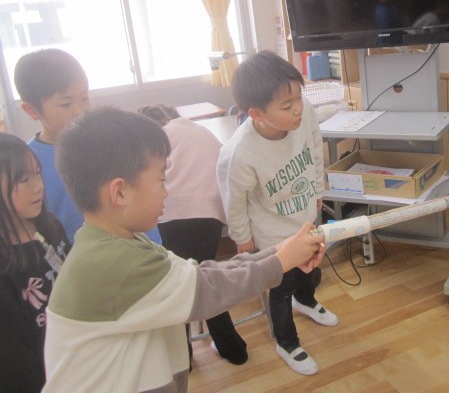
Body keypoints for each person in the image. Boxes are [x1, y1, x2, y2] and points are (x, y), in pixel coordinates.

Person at [43, 106, 325, 393]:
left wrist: (280, 250)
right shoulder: (113, 264)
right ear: (120, 192)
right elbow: (208, 290)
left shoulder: (122, 244)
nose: (166, 190)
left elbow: (199, 273)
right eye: (161, 179)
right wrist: (282, 260)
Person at [217, 50, 339, 376]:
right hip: (273, 235)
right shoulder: (239, 153)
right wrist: (243, 240)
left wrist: (317, 189)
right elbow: (234, 202)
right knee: (281, 288)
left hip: (305, 215)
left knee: (310, 270)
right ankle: (287, 342)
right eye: (287, 106)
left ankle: (306, 300)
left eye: (298, 97)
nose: (298, 108)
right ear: (257, 113)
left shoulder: (304, 113)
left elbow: (315, 146)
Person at [14, 48, 162, 246]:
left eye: (84, 98)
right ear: (32, 110)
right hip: (80, 258)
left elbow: (138, 197)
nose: (80, 110)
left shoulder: (110, 143)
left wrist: (153, 246)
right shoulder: (28, 164)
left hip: (137, 250)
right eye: (66, 104)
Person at [138, 104, 247, 366]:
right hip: (211, 215)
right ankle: (232, 348)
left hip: (173, 215)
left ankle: (184, 357)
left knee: (180, 284)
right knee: (201, 278)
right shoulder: (201, 131)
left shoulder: (159, 138)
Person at [0, 133, 70, 393]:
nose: (38, 186)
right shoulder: (6, 261)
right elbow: (12, 357)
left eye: (37, 174)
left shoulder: (50, 227)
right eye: (23, 179)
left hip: (73, 359)